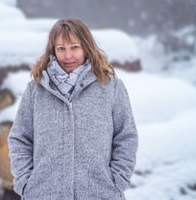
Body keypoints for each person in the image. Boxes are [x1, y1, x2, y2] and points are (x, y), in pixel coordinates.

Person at [8, 18, 138, 200]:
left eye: (74, 47)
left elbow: (126, 137)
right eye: (61, 48)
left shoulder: (110, 87)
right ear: (53, 50)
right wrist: (26, 182)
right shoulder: (36, 89)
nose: (68, 56)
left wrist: (118, 182)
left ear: (86, 47)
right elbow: (20, 138)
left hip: (100, 194)